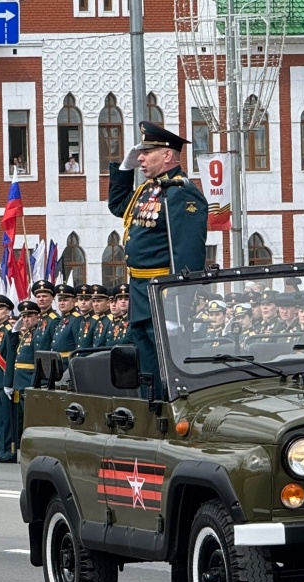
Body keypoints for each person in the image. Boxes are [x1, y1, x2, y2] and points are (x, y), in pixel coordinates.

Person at [107, 121, 208, 396]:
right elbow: (118, 206)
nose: (141, 157)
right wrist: (125, 168)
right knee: (145, 363)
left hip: (163, 292)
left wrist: (177, 303)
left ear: (167, 155)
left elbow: (187, 253)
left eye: (147, 151)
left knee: (167, 368)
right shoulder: (150, 190)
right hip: (141, 290)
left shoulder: (180, 192)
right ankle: (151, 417)